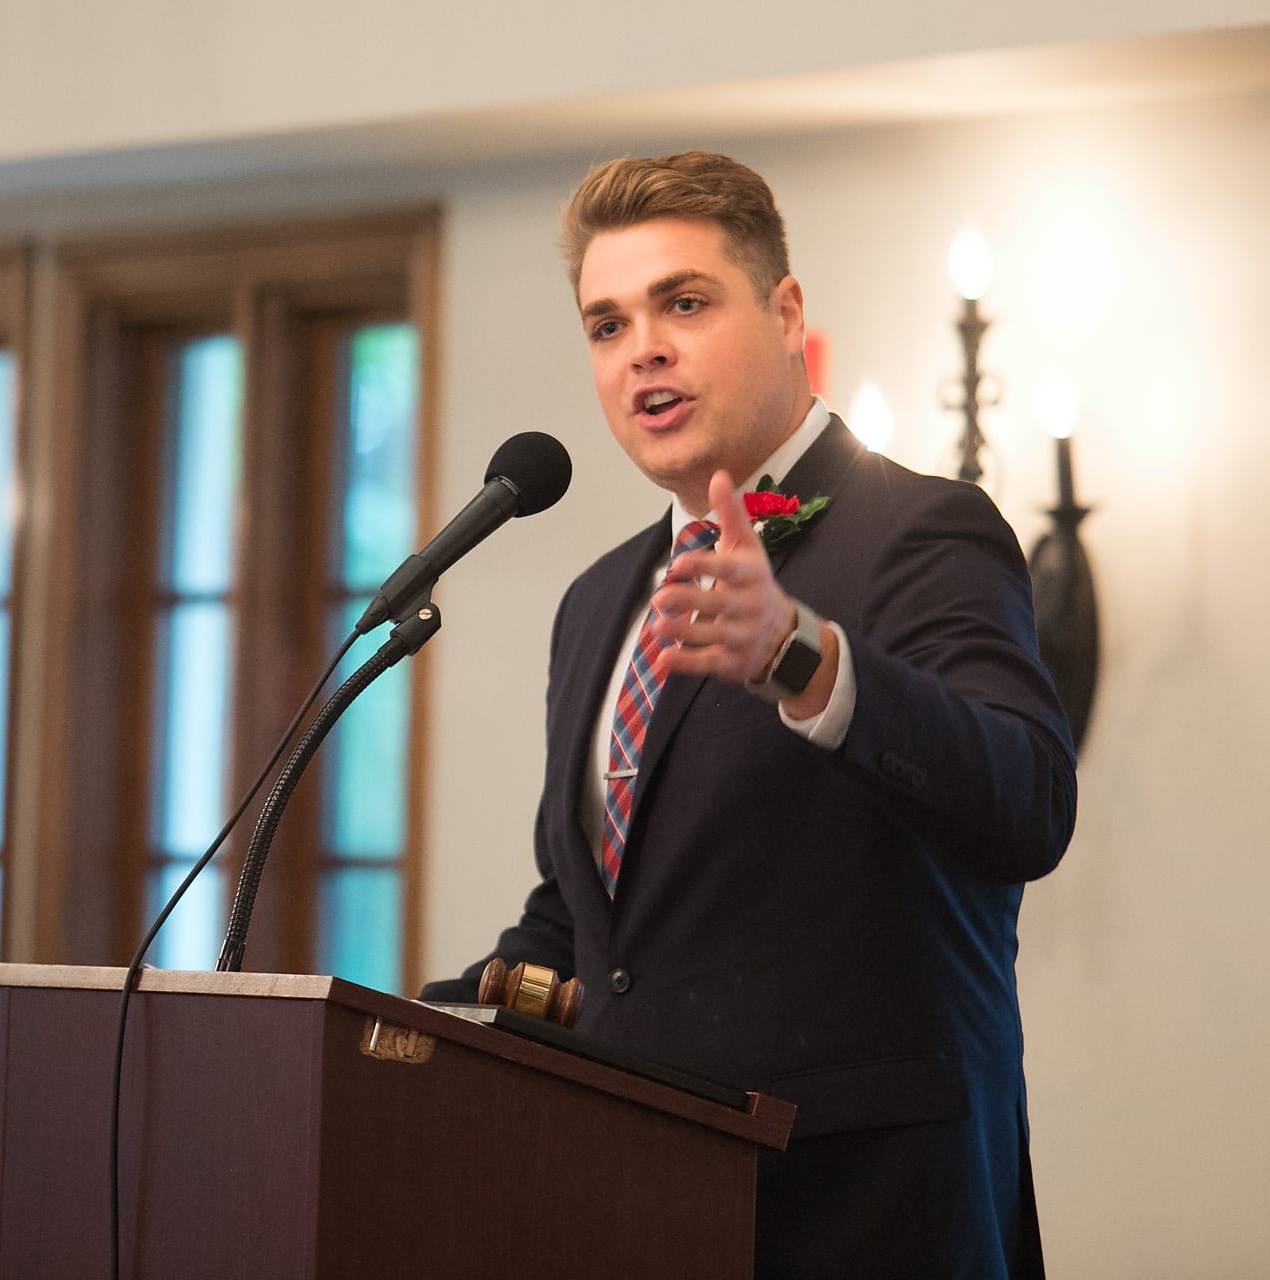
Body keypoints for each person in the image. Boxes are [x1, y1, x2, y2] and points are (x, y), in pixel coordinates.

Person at [421, 152, 1077, 1278]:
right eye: (607, 323)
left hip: (868, 1216)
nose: (645, 350)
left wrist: (805, 657)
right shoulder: (596, 605)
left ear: (785, 315)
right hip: (637, 1207)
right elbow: (594, 920)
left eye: (683, 302)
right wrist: (428, 1022)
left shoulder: (922, 530)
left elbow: (1027, 799)